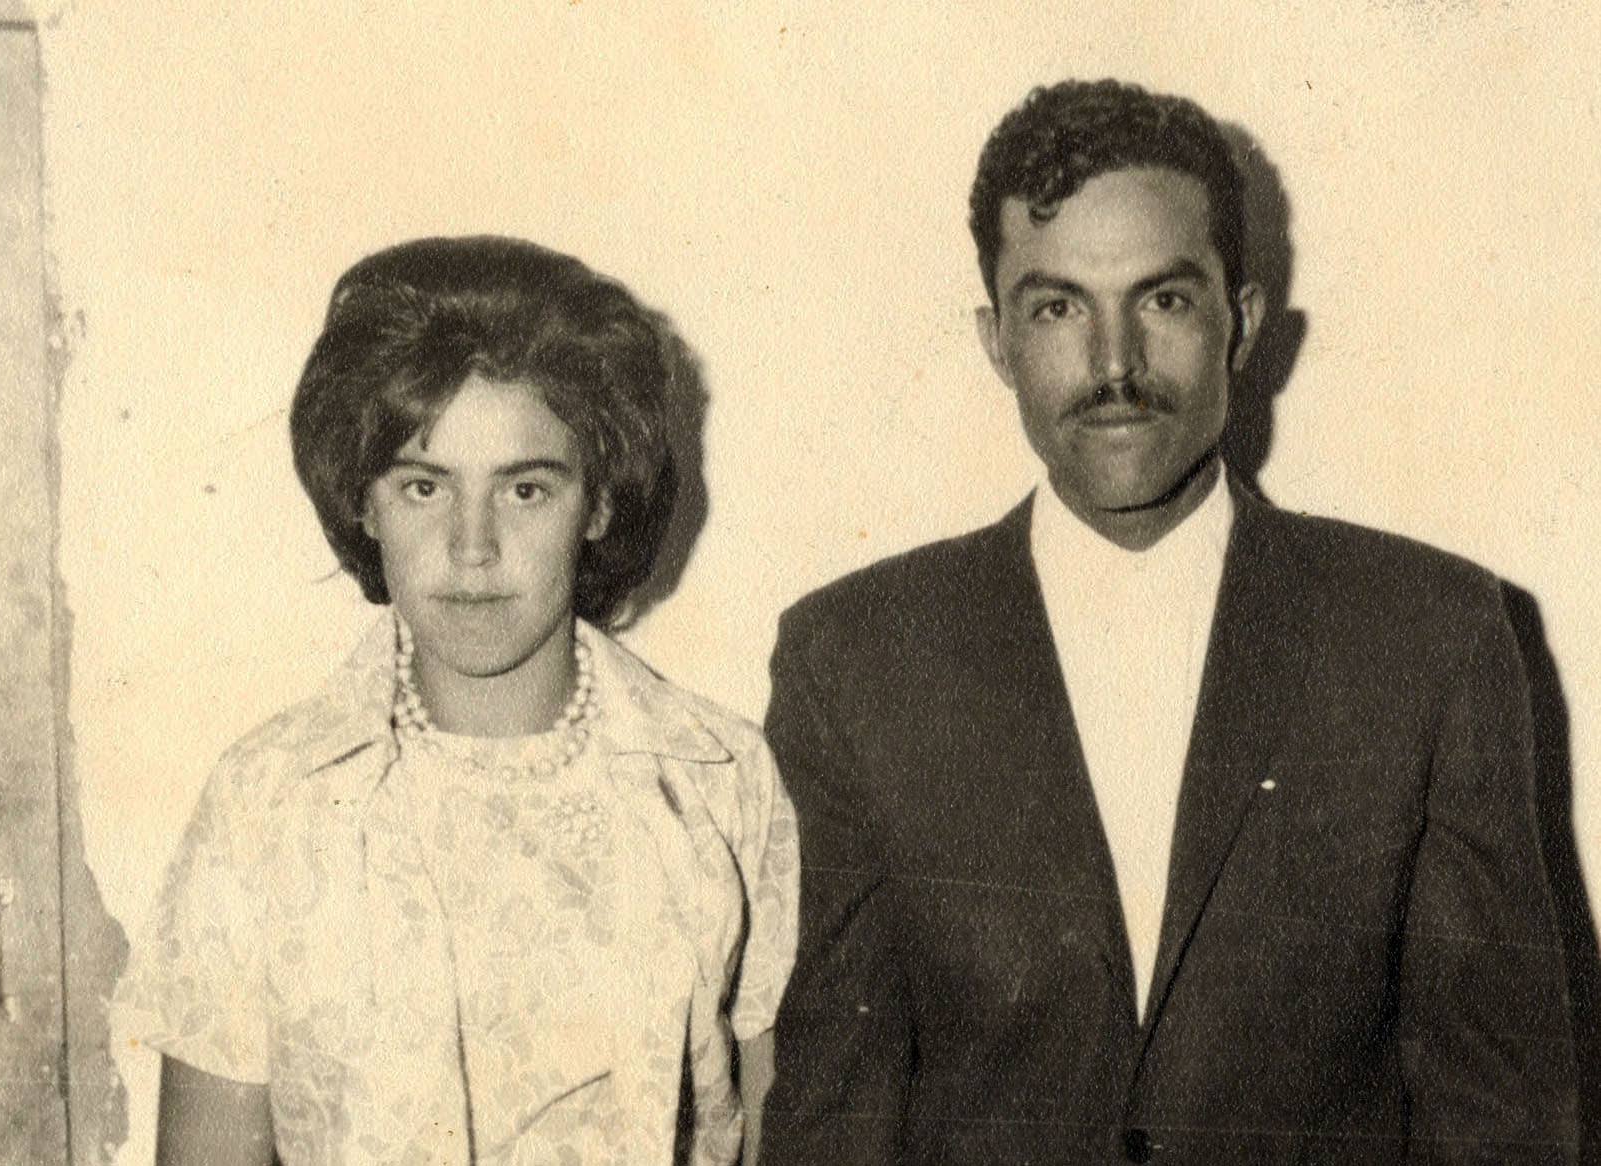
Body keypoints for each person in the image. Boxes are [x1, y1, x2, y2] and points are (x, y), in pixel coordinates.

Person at [759, 80, 1578, 1163]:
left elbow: (1504, 1121)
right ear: (995, 341)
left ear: (1240, 322)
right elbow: (832, 1119)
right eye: (1057, 308)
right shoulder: (854, 662)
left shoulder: (1429, 638)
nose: (1114, 366)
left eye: (1163, 300)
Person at [117, 236, 798, 1165]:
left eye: (526, 489)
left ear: (599, 506)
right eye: (423, 486)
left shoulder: (719, 781)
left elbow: (774, 1126)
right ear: (364, 504)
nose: (472, 547)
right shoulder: (265, 805)